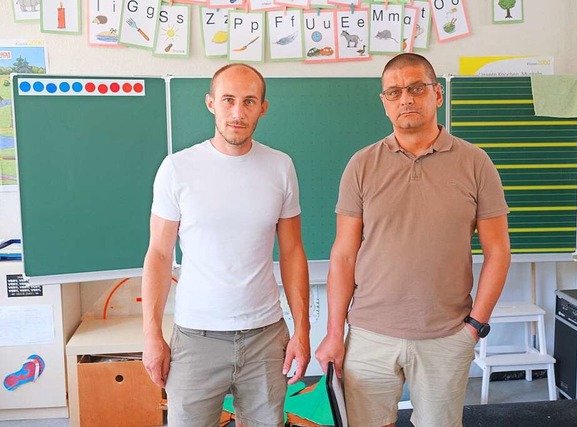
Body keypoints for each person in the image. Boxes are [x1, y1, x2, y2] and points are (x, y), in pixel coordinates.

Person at [315, 53, 511, 427]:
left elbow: (498, 251)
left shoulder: (476, 163)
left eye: (416, 88)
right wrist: (334, 333)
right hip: (370, 336)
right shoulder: (361, 165)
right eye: (394, 92)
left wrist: (474, 327)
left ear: (437, 95)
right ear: (384, 102)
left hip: (447, 335)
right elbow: (343, 255)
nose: (405, 98)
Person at [141, 63, 311, 427]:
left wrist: (302, 330)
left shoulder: (281, 167)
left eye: (249, 101)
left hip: (266, 337)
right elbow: (158, 253)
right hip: (195, 339)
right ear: (211, 103)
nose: (238, 112)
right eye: (228, 100)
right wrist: (151, 335)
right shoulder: (177, 169)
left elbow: (293, 251)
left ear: (262, 108)